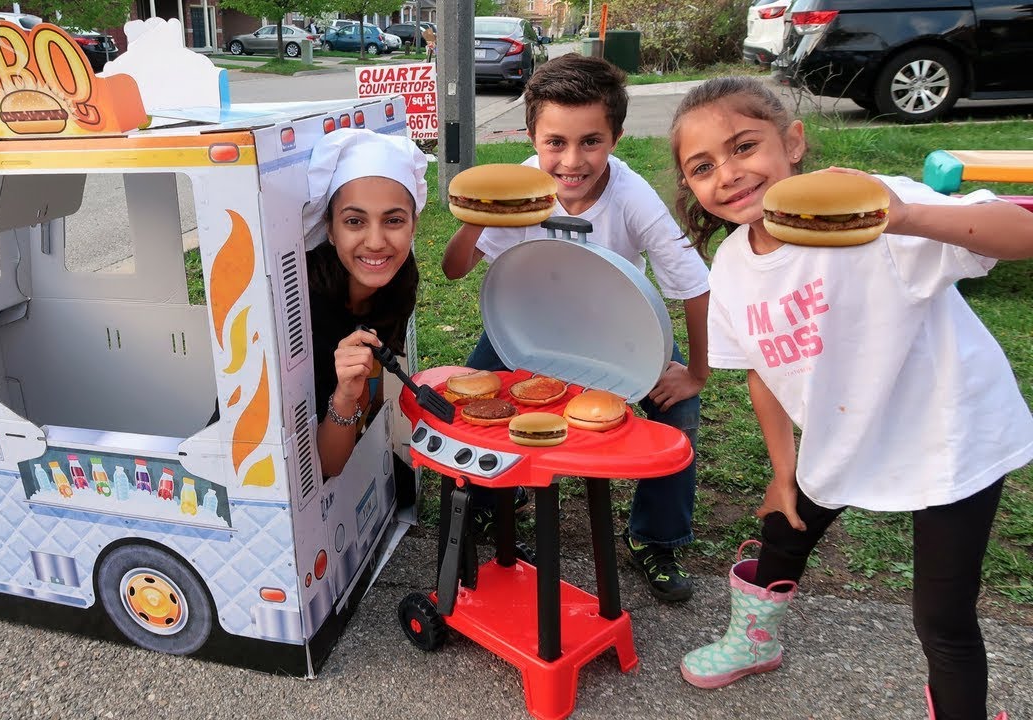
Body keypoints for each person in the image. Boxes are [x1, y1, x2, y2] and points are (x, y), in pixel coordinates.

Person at [669, 76, 1033, 720]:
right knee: (783, 527)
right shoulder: (730, 265)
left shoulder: (874, 214)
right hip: (845, 431)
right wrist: (784, 473)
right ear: (692, 187)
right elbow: (762, 372)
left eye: (744, 146)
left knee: (942, 618)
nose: (728, 173)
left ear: (794, 142)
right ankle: (753, 641)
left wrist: (907, 214)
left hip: (951, 437)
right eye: (703, 167)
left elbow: (1020, 230)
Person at [441, 54, 711, 603]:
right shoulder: (518, 188)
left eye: (591, 141)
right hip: (530, 325)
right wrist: (478, 216)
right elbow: (454, 268)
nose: (571, 160)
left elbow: (693, 284)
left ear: (616, 136)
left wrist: (697, 372)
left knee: (676, 410)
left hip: (614, 328)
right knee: (479, 400)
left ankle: (655, 538)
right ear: (532, 136)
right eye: (555, 143)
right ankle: (495, 505)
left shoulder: (634, 200)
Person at [302, 128, 428, 478]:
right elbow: (326, 467)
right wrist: (346, 397)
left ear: (414, 224)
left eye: (393, 220)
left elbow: (370, 394)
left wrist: (360, 407)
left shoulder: (399, 283)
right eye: (355, 221)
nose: (375, 242)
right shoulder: (299, 308)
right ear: (329, 228)